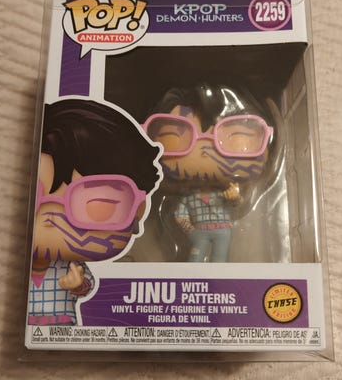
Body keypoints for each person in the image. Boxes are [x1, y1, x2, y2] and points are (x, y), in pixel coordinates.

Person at [28, 99, 161, 325]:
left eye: (97, 204)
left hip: (62, 325)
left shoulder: (71, 266)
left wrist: (77, 285)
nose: (50, 217)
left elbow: (86, 287)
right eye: (34, 197)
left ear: (138, 210)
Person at [143, 84, 273, 262]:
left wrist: (235, 196)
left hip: (222, 230)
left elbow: (236, 203)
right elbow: (179, 215)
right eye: (172, 136)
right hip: (200, 232)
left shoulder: (220, 194)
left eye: (237, 136)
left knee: (220, 259)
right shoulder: (188, 198)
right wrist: (191, 230)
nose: (204, 149)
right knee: (195, 258)